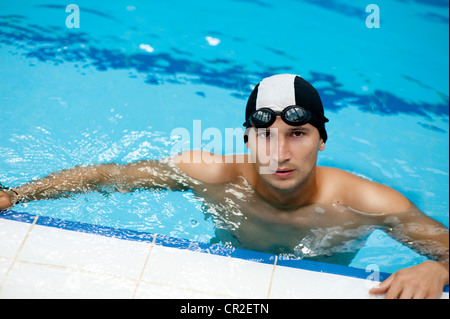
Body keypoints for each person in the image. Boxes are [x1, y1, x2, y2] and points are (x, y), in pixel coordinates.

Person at [1, 74, 448, 299]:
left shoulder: (368, 203)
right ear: (247, 140)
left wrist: (439, 270)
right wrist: (15, 196)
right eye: (265, 135)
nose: (279, 152)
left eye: (298, 134)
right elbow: (107, 177)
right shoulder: (210, 175)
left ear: (322, 140)